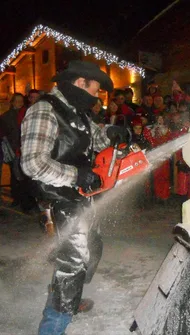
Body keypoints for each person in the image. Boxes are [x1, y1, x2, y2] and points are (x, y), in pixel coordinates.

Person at [20, 60, 129, 335]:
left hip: (79, 195)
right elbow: (32, 163)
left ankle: (68, 294)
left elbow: (95, 138)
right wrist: (75, 175)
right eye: (95, 91)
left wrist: (110, 133)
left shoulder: (77, 113)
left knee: (91, 250)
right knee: (72, 264)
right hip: (57, 199)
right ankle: (53, 326)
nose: (96, 98)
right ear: (80, 83)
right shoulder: (44, 110)